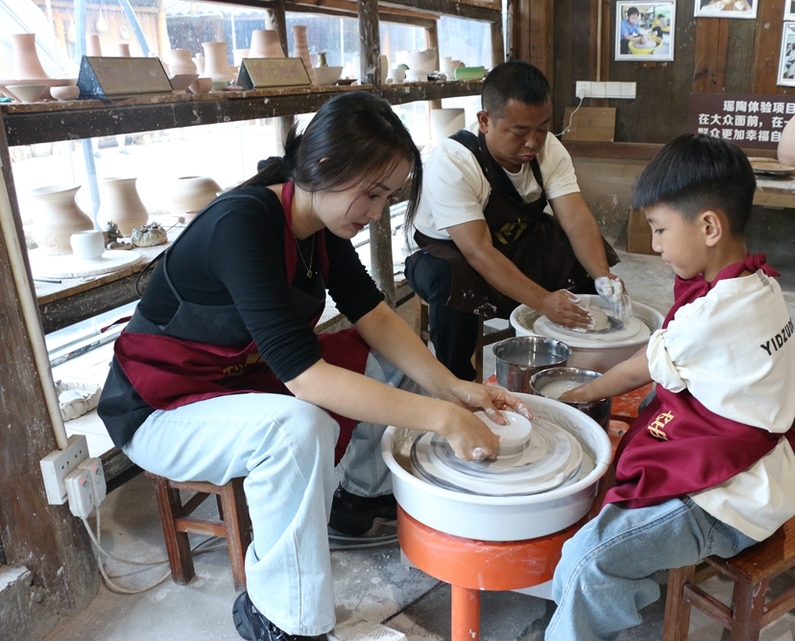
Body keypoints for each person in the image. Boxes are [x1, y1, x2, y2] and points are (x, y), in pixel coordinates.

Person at [97, 91, 531, 641]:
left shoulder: (319, 226)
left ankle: (355, 502)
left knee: (396, 365)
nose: (376, 213)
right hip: (159, 407)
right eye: (371, 194)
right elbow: (304, 379)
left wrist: (453, 388)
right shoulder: (243, 223)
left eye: (388, 197)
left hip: (242, 380)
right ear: (324, 166)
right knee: (298, 428)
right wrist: (444, 419)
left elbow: (375, 315)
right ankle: (282, 619)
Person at [544, 133, 795, 641]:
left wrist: (575, 394)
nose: (656, 245)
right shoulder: (761, 285)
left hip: (732, 501)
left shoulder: (710, 315)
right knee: (648, 415)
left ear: (709, 225)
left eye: (661, 229)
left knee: (586, 559)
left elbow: (638, 366)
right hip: (770, 475)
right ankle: (612, 596)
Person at [404, 61, 624, 382]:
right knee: (452, 278)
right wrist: (543, 301)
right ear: (485, 121)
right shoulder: (453, 161)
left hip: (509, 240)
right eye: (520, 131)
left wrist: (603, 276)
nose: (533, 142)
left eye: (542, 128)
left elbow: (575, 217)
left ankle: (587, 357)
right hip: (444, 251)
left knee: (573, 248)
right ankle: (460, 387)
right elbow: (478, 251)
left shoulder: (548, 149)